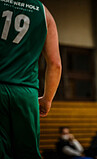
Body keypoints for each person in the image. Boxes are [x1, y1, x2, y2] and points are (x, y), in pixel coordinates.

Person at [0, 0, 62, 159]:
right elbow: (55, 64)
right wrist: (47, 99)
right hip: (26, 94)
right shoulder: (44, 13)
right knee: (28, 154)